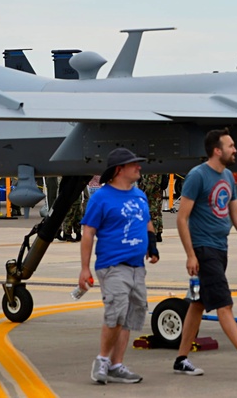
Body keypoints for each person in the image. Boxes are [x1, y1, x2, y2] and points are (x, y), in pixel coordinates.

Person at [173, 128, 237, 378]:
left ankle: (181, 359)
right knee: (224, 304)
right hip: (203, 249)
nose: (235, 150)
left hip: (220, 248)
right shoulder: (197, 176)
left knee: (198, 304)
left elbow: (235, 214)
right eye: (230, 146)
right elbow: (182, 218)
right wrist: (190, 254)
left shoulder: (228, 176)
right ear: (217, 150)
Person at [79, 148, 159, 385]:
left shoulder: (139, 195)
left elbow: (147, 221)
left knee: (131, 315)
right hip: (113, 265)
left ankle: (116, 364)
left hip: (137, 267)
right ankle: (102, 360)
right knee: (116, 312)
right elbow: (88, 233)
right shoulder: (101, 198)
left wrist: (152, 245)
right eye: (134, 164)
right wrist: (85, 268)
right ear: (119, 170)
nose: (139, 167)